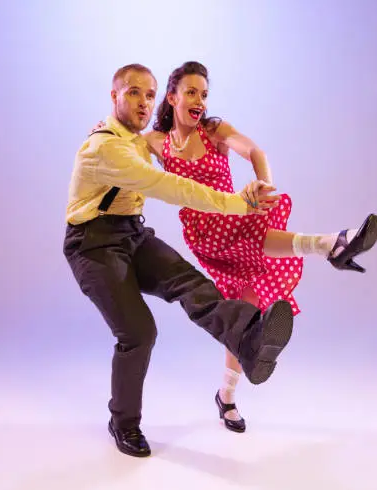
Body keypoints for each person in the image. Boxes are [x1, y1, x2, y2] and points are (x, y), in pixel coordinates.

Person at [63, 63, 296, 458]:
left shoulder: (138, 139)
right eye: (133, 92)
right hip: (92, 246)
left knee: (191, 284)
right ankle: (123, 422)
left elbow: (176, 142)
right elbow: (170, 186)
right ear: (114, 95)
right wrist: (238, 204)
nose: (143, 101)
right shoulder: (106, 147)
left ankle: (249, 339)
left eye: (150, 94)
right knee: (139, 333)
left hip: (131, 235)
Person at [141, 61, 377, 433]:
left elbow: (254, 151)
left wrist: (263, 184)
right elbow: (121, 142)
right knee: (251, 245)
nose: (199, 100)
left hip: (235, 217)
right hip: (206, 233)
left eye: (204, 94)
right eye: (190, 92)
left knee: (247, 311)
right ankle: (330, 244)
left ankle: (227, 397)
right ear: (171, 97)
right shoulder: (157, 142)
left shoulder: (213, 131)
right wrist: (101, 130)